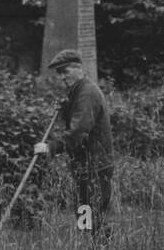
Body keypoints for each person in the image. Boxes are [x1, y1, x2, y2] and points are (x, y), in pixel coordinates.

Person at [35, 49, 114, 234]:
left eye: (65, 71)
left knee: (93, 217)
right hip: (86, 165)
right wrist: (64, 108)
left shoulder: (87, 93)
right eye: (59, 73)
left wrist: (50, 147)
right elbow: (76, 120)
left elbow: (78, 132)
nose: (62, 77)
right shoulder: (78, 91)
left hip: (95, 166)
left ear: (79, 68)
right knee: (85, 215)